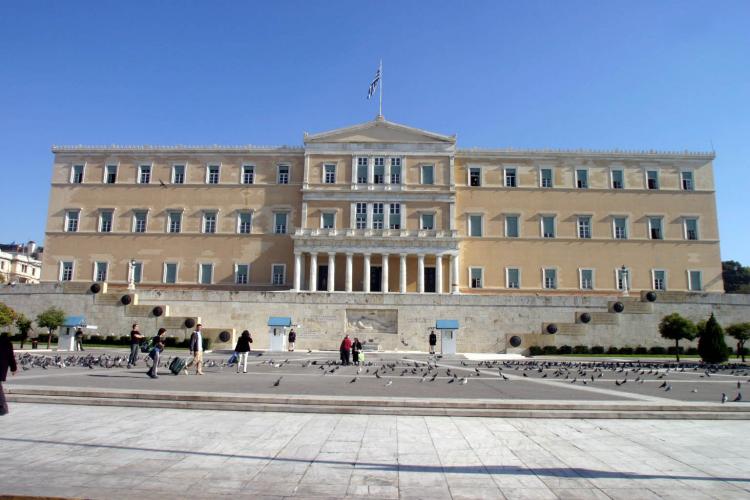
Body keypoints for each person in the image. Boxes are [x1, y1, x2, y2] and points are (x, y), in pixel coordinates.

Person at [1, 333, 17, 416]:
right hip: (2, 367)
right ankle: (3, 408)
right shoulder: (8, 344)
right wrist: (13, 368)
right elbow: (11, 357)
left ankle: (3, 409)